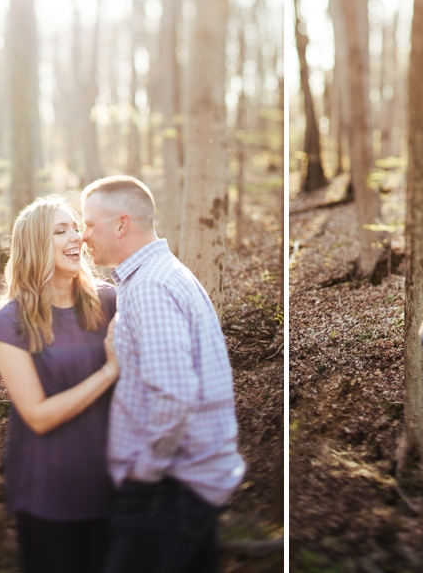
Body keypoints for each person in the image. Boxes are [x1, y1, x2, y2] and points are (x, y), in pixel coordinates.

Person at [81, 176, 245, 573]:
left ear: (121, 224)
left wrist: (143, 475)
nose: (83, 236)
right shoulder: (164, 273)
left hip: (167, 491)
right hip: (185, 487)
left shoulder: (150, 286)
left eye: (88, 224)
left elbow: (173, 395)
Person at [0, 196, 120, 573]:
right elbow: (38, 416)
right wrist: (108, 373)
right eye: (60, 230)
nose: (76, 236)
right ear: (35, 246)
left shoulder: (108, 301)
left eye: (76, 227)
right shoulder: (11, 321)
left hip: (112, 487)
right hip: (48, 494)